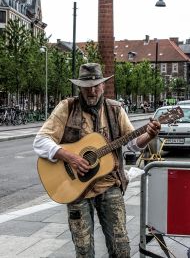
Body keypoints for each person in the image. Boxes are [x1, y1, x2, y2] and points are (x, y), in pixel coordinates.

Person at [33, 63, 161, 258]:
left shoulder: (116, 110)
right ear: (79, 87)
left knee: (121, 247)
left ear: (103, 86)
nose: (92, 91)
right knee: (84, 250)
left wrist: (149, 136)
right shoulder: (67, 107)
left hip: (110, 184)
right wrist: (70, 157)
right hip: (75, 190)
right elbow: (40, 141)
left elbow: (133, 144)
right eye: (87, 86)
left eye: (96, 86)